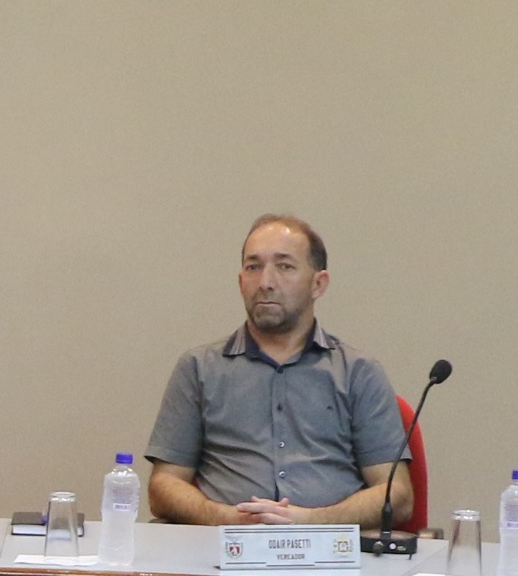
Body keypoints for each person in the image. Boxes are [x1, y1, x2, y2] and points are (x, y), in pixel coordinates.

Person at [144, 214, 411, 527]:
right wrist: (227, 519)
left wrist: (311, 522)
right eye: (253, 267)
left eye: (284, 266)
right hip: (224, 545)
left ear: (318, 284)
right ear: (240, 282)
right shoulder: (199, 368)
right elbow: (163, 486)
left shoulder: (358, 372)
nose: (265, 283)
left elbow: (397, 494)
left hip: (327, 548)